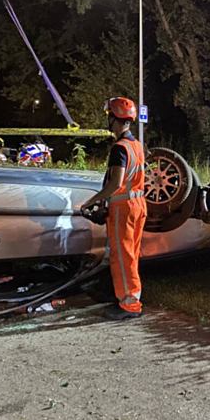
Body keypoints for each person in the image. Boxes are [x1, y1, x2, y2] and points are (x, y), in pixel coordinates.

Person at [81, 98, 147, 321]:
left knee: (122, 256)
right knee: (131, 255)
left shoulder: (119, 148)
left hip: (124, 208)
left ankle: (130, 304)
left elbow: (115, 183)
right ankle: (128, 295)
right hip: (138, 205)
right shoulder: (135, 145)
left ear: (114, 119)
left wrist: (92, 201)